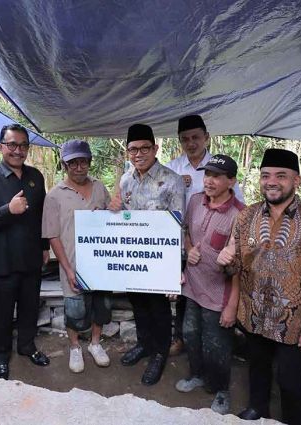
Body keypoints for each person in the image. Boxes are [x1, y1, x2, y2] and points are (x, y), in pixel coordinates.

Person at [228, 148, 301, 424]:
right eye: (265, 175)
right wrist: (225, 259)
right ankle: (257, 409)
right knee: (257, 368)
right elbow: (235, 268)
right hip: (253, 315)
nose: (271, 181)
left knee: (290, 380)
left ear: (296, 180)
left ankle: (293, 420)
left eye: (281, 175)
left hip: (294, 322)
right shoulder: (246, 216)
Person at [0, 123, 50, 380]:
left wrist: (45, 247)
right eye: (11, 144)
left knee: (29, 309)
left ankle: (27, 346)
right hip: (1, 261)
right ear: (1, 147)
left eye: (23, 145)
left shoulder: (35, 177)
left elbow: (42, 217)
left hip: (31, 258)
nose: (17, 150)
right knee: (2, 314)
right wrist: (7, 210)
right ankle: (1, 357)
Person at [108, 123, 185, 386]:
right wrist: (113, 208)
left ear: (155, 148)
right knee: (138, 304)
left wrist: (175, 269)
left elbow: (179, 227)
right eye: (133, 149)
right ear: (127, 151)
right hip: (133, 257)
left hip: (160, 261)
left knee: (158, 309)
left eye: (144, 148)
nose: (138, 154)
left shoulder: (172, 181)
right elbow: (121, 217)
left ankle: (160, 353)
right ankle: (144, 344)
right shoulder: (125, 179)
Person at [165, 114, 245, 356]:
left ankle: (216, 344)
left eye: (196, 137)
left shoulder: (221, 167)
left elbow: (238, 208)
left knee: (212, 293)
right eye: (185, 139)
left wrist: (232, 245)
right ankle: (180, 338)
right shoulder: (172, 168)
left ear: (206, 137)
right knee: (181, 294)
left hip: (213, 241)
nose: (191, 143)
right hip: (180, 238)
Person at [175, 154, 243, 414]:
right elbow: (187, 233)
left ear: (231, 181)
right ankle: (197, 375)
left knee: (217, 344)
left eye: (217, 176)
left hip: (219, 293)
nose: (210, 181)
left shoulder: (239, 215)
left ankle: (221, 389)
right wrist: (190, 248)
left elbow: (239, 268)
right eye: (208, 175)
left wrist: (232, 306)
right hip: (192, 287)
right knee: (191, 334)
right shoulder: (194, 201)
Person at [42, 140, 112, 373]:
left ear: (89, 162)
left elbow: (112, 218)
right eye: (73, 162)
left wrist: (108, 213)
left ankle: (94, 343)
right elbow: (52, 236)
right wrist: (68, 269)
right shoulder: (54, 196)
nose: (79, 167)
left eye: (83, 161)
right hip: (71, 264)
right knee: (74, 309)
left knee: (100, 306)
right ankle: (74, 347)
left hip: (101, 263)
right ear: (64, 165)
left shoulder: (100, 188)